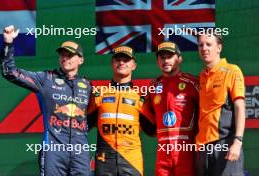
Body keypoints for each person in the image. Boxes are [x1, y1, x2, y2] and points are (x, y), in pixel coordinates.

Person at [0, 25, 92, 176]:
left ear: (80, 60)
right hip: (54, 151)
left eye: (70, 55)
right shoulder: (46, 79)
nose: (65, 58)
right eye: (62, 54)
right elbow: (10, 72)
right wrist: (8, 44)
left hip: (80, 152)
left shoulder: (87, 86)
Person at [87, 45, 155, 176]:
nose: (122, 62)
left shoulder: (140, 97)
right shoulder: (99, 94)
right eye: (118, 59)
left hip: (131, 161)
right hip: (104, 160)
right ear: (112, 63)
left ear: (134, 65)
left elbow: (153, 130)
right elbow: (82, 126)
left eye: (126, 60)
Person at [145, 41, 199, 176]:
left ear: (179, 59)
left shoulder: (193, 83)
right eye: (162, 57)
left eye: (170, 56)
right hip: (163, 154)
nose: (166, 61)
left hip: (187, 152)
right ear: (158, 61)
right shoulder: (153, 86)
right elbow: (145, 116)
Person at [196, 32, 245, 176]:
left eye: (209, 44)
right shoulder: (202, 76)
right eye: (201, 45)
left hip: (225, 143)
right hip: (203, 148)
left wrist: (237, 141)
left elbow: (240, 107)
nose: (204, 48)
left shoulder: (232, 70)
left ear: (219, 47)